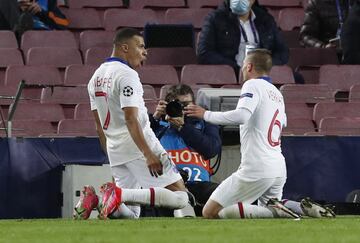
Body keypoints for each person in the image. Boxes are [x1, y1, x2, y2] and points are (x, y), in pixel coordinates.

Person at [185, 49, 335, 219]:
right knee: (265, 210)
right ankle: (300, 208)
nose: (242, 70)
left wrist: (206, 114)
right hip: (278, 166)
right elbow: (283, 122)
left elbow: (242, 115)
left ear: (249, 66)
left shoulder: (252, 85)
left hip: (257, 167)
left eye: (243, 66)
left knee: (210, 212)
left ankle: (277, 211)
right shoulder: (277, 93)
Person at [75, 28, 191, 220]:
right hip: (139, 144)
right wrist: (148, 154)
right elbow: (131, 118)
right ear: (125, 47)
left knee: (131, 214)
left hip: (115, 148)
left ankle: (95, 200)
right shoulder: (127, 74)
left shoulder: (94, 78)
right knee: (181, 197)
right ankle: (118, 194)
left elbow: (98, 125)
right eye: (141, 46)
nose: (145, 52)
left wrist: (111, 155)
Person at [149, 84, 222, 216]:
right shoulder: (156, 126)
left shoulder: (205, 123)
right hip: (168, 186)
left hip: (200, 185)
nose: (181, 109)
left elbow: (211, 149)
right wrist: (155, 117)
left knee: (222, 194)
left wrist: (183, 127)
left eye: (186, 104)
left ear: (194, 105)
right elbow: (138, 142)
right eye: (177, 105)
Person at [197, 0, 289, 75]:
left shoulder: (266, 19)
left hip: (261, 74)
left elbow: (283, 51)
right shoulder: (215, 18)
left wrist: (265, 65)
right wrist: (235, 68)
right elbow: (204, 53)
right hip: (230, 74)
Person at [0, 0, 68, 38]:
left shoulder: (48, 1)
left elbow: (64, 24)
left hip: (42, 37)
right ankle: (20, 31)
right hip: (15, 37)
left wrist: (41, 12)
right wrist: (17, 8)